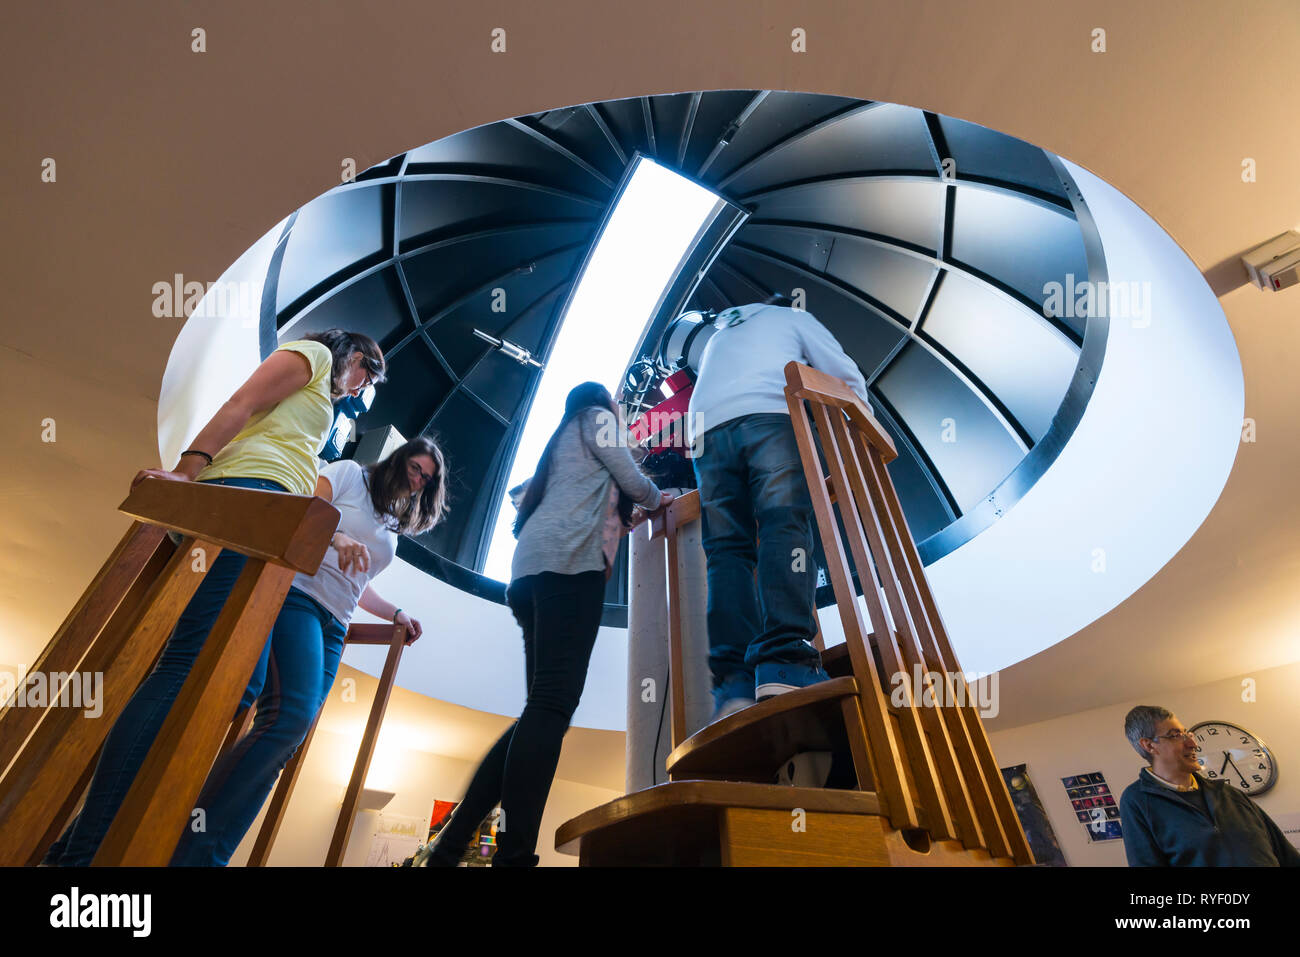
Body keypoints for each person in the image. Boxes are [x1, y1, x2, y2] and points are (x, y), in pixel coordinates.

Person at [46, 328, 386, 866]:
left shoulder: (324, 398)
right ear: (352, 350)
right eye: (368, 370)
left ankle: (84, 844)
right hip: (250, 497)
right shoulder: (317, 356)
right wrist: (186, 471)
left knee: (234, 682)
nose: (363, 386)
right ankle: (83, 856)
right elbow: (241, 402)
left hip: (273, 518)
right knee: (185, 666)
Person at [414, 382, 669, 867]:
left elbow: (601, 499)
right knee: (552, 707)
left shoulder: (558, 446)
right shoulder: (597, 419)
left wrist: (625, 513)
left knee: (541, 709)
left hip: (529, 577)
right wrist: (660, 501)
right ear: (604, 404)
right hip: (569, 570)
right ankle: (511, 857)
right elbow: (635, 482)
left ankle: (448, 848)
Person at [168, 436, 448, 865]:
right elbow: (305, 513)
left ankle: (213, 853)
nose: (417, 482)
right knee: (288, 717)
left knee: (286, 741)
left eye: (426, 480)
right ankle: (190, 844)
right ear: (398, 460)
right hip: (297, 596)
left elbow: (358, 581)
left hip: (335, 623)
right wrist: (336, 539)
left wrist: (396, 612)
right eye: (415, 468)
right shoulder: (351, 475)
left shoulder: (389, 521)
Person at [687, 296, 868, 719]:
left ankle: (735, 685)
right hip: (766, 413)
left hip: (705, 434)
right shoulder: (794, 316)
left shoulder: (719, 334)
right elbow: (843, 376)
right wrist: (859, 426)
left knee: (726, 551)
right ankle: (785, 659)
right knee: (783, 524)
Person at [1119, 705, 1300, 867]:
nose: (1192, 744)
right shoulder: (1137, 801)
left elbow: (1287, 855)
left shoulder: (1229, 793)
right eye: (1176, 736)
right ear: (1149, 745)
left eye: (1187, 734)